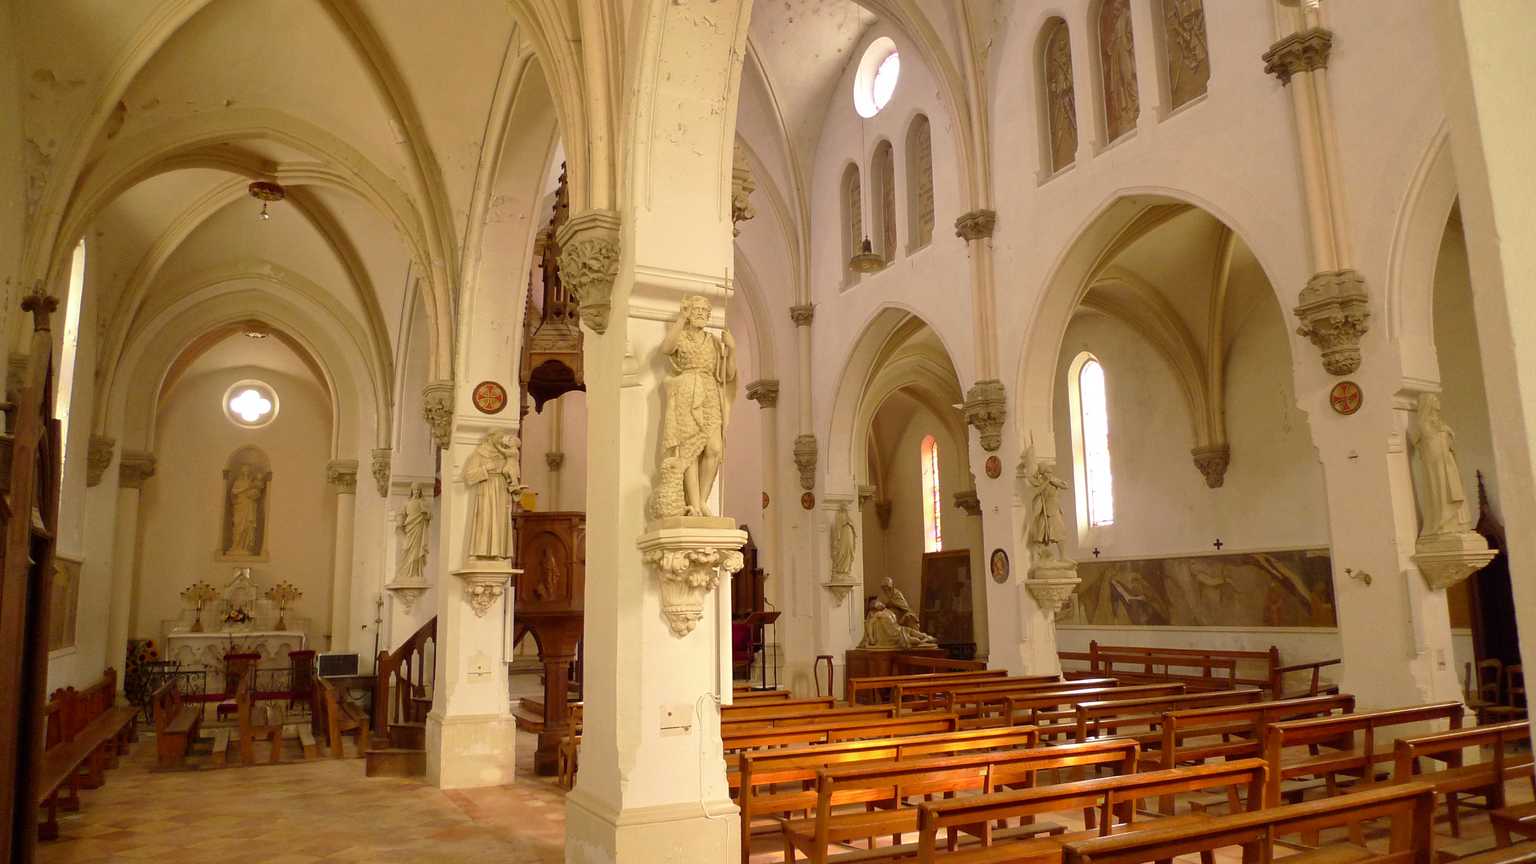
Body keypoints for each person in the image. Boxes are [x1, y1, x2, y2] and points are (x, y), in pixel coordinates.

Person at [659, 295, 736, 516]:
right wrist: (681, 319)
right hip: (687, 390)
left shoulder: (714, 341)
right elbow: (666, 348)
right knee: (689, 449)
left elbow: (728, 374)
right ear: (689, 312)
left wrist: (732, 350)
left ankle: (702, 500)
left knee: (714, 448)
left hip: (709, 392)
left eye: (705, 310)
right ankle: (693, 504)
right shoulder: (681, 336)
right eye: (697, 309)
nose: (701, 313)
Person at [395, 486, 431, 585]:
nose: (416, 492)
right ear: (411, 491)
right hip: (409, 528)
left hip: (419, 528)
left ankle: (416, 573)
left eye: (418, 490)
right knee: (407, 549)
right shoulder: (406, 502)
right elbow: (401, 514)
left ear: (420, 491)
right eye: (415, 490)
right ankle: (405, 572)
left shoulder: (422, 502)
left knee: (417, 550)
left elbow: (429, 515)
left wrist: (426, 513)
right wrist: (399, 522)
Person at [227, 465, 265, 555]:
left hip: (249, 505)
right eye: (245, 469)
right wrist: (247, 488)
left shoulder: (252, 482)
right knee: (238, 526)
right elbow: (234, 492)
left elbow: (257, 492)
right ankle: (235, 546)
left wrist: (255, 491)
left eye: (248, 469)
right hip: (240, 505)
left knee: (248, 526)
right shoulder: (238, 482)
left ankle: (245, 547)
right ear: (242, 471)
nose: (246, 471)